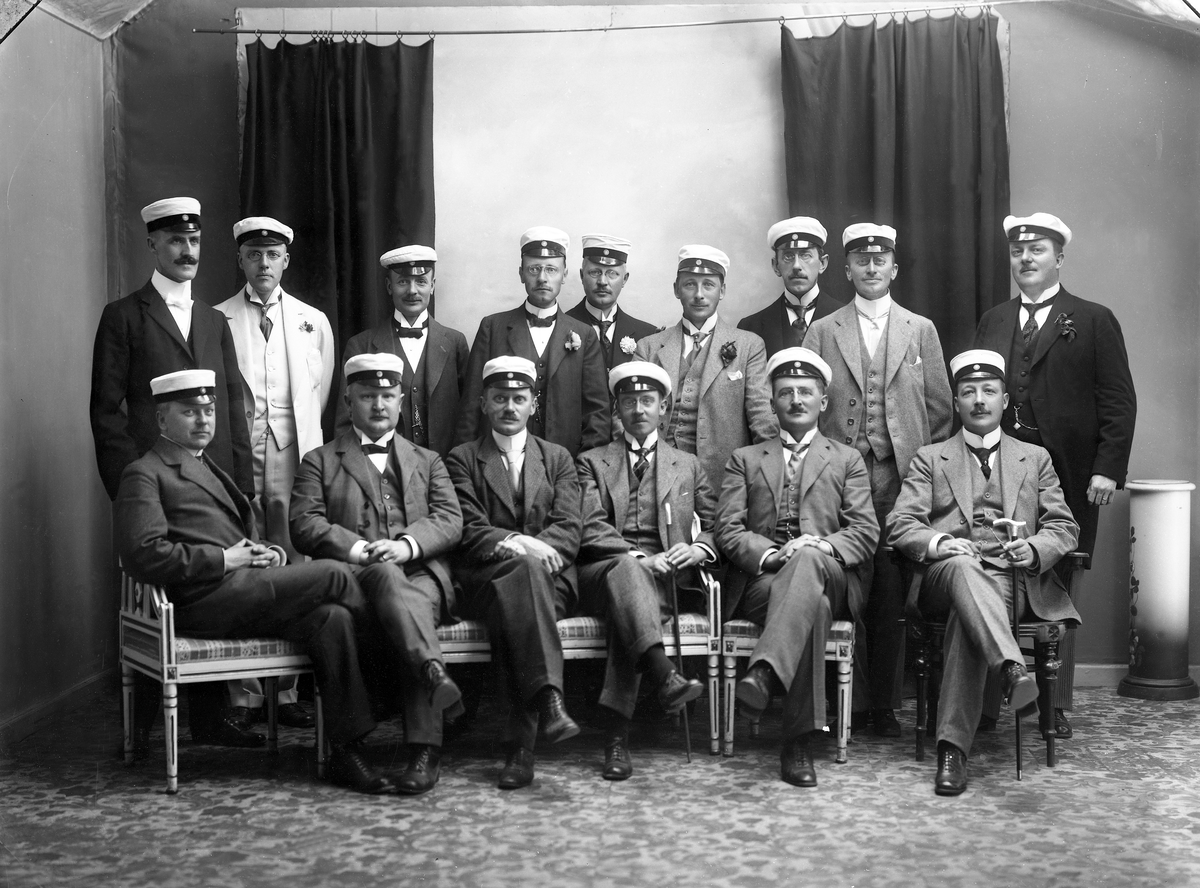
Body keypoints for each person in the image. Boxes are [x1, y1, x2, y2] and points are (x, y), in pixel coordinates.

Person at [115, 369, 393, 794]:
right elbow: (143, 554)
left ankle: (346, 751)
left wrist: (267, 552)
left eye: (209, 410)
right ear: (161, 419)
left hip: (240, 592)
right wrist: (224, 559)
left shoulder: (205, 464)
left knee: (332, 617)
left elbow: (236, 536)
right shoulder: (145, 472)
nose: (203, 420)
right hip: (198, 602)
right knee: (335, 572)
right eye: (190, 412)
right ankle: (392, 677)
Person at [886, 349, 1080, 796]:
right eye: (968, 392)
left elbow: (1064, 526)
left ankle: (952, 751)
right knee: (962, 568)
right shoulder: (930, 458)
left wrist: (1033, 549)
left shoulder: (1035, 457)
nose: (978, 400)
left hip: (1012, 580)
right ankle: (1010, 667)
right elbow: (900, 524)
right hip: (944, 575)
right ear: (955, 402)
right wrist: (939, 542)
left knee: (966, 617)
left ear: (1004, 399)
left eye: (988, 391)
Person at [974, 212, 1136, 739]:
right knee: (993, 569)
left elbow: (1118, 400)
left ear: (1059, 258)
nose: (1025, 258)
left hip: (1070, 472)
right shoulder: (994, 320)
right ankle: (988, 702)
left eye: (1037, 250)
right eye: (1018, 251)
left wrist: (1106, 469)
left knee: (1060, 585)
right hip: (1001, 472)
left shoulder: (1093, 318)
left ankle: (1053, 706)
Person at [803, 222, 953, 737]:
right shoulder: (824, 330)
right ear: (846, 269)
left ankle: (885, 705)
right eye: (861, 260)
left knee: (890, 591)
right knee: (846, 584)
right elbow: (808, 405)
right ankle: (850, 702)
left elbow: (940, 409)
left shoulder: (920, 329)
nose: (871, 268)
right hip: (839, 476)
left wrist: (919, 467)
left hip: (899, 478)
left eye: (880, 259)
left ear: (894, 267)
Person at [290, 354, 464, 795]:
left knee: (410, 599)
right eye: (368, 396)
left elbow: (450, 519)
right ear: (349, 402)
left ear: (401, 402)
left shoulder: (428, 460)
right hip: (352, 577)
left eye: (388, 395)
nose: (379, 405)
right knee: (388, 582)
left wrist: (406, 545)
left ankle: (423, 752)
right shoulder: (319, 460)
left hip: (419, 574)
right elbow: (304, 524)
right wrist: (359, 550)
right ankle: (432, 676)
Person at [715, 348, 878, 787]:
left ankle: (765, 671)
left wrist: (818, 546)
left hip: (830, 572)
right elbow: (727, 530)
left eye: (805, 392)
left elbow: (865, 532)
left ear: (823, 402)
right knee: (814, 609)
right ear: (772, 403)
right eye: (786, 392)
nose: (796, 400)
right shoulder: (745, 458)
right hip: (764, 580)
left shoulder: (847, 459)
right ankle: (798, 743)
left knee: (809, 559)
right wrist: (773, 554)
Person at [215, 216, 335, 730]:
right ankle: (243, 696)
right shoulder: (218, 318)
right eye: (254, 254)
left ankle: (286, 691)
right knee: (242, 563)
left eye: (272, 255)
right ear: (240, 259)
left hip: (293, 455)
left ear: (286, 259)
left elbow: (319, 393)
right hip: (239, 456)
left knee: (293, 563)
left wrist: (294, 437)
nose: (263, 263)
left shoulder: (313, 320)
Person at [445, 356, 583, 789]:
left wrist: (532, 553)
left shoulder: (557, 458)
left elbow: (570, 526)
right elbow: (468, 528)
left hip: (551, 581)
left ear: (533, 404)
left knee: (521, 599)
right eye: (500, 398)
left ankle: (520, 749)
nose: (509, 407)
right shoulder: (462, 459)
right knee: (520, 589)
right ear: (484, 403)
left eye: (519, 399)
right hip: (485, 581)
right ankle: (548, 701)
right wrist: (524, 545)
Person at [575, 361, 713, 780]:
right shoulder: (591, 463)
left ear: (663, 407)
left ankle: (617, 738)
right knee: (628, 575)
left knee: (631, 612)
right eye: (630, 401)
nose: (638, 409)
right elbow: (588, 525)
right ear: (617, 408)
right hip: (605, 572)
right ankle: (664, 674)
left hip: (667, 579)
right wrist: (638, 559)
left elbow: (717, 524)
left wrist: (698, 549)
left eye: (647, 401)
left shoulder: (687, 464)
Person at [91, 197, 252, 501]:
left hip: (217, 484)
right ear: (152, 244)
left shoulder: (215, 321)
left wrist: (242, 487)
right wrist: (132, 488)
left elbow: (233, 406)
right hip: (153, 485)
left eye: (195, 240)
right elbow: (106, 413)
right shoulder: (122, 316)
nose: (188, 251)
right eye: (177, 240)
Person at [455, 227, 609, 456]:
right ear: (521, 274)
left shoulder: (584, 335)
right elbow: (471, 406)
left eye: (551, 269)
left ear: (564, 275)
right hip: (499, 459)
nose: (542, 278)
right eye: (534, 269)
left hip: (565, 463)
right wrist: (465, 464)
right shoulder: (493, 327)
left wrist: (583, 469)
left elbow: (597, 414)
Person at [633, 245, 777, 491]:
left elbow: (761, 416)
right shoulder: (649, 347)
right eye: (690, 284)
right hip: (656, 478)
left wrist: (772, 476)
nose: (699, 294)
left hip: (722, 480)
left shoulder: (748, 346)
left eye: (708, 285)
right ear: (676, 289)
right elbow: (626, 415)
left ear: (722, 291)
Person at [337, 246, 470, 457]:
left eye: (421, 282)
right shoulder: (361, 345)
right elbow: (345, 423)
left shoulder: (455, 343)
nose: (412, 291)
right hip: (382, 468)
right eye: (403, 282)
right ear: (389, 286)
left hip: (445, 467)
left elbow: (468, 416)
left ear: (432, 286)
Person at [738, 217, 843, 356]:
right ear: (776, 266)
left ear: (822, 263)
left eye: (805, 255)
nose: (796, 266)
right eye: (788, 256)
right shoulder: (750, 327)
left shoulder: (847, 319)